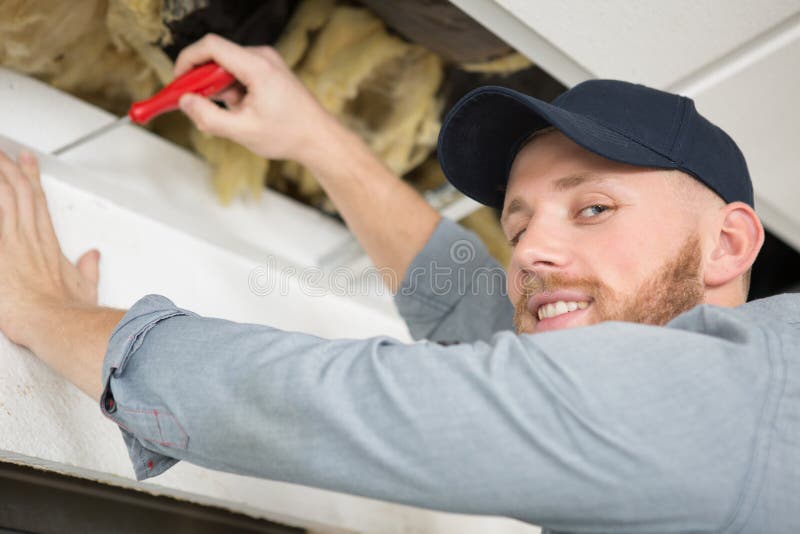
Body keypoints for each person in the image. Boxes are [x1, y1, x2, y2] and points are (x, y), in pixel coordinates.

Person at [0, 34, 797, 532]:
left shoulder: (737, 393)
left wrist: (44, 311)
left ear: (728, 244)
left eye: (593, 208)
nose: (528, 255)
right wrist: (313, 138)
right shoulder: (720, 420)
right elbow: (472, 307)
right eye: (518, 226)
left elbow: (341, 406)